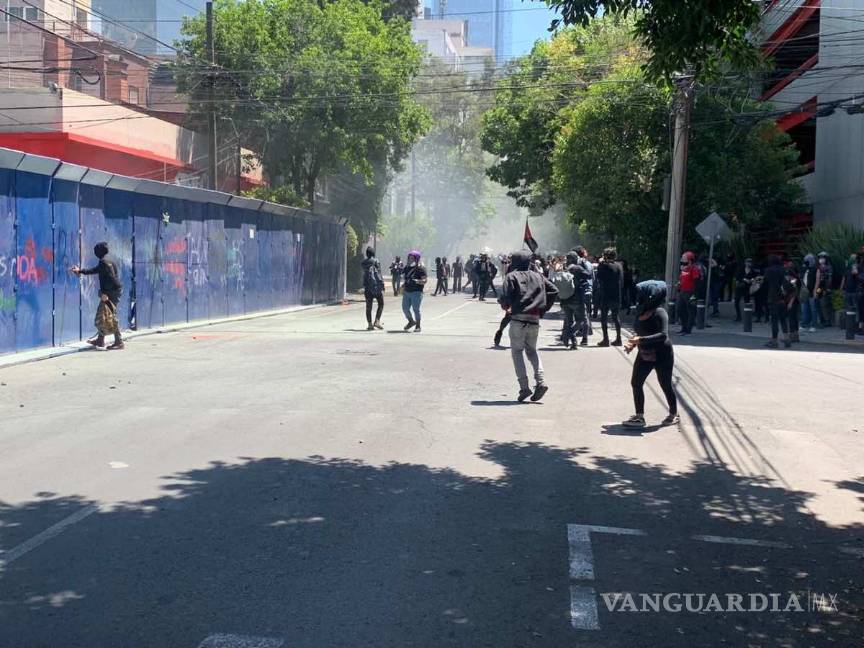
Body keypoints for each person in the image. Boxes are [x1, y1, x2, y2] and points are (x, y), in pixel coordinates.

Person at [498, 250, 558, 402]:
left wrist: (507, 307)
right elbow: (554, 290)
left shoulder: (511, 276)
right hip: (534, 319)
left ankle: (524, 388)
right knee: (532, 351)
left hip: (518, 318)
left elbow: (504, 296)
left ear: (515, 262)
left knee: (517, 352)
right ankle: (541, 381)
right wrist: (543, 309)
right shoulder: (538, 276)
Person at [622, 281, 679, 429]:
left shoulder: (660, 312)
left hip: (662, 354)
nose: (638, 297)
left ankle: (673, 413)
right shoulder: (641, 310)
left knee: (665, 384)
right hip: (645, 352)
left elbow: (663, 335)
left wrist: (640, 340)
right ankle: (639, 416)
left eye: (642, 295)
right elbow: (640, 331)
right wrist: (633, 343)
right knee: (636, 382)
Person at [70, 241, 124, 350]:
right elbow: (96, 271)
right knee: (103, 314)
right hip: (115, 290)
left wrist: (105, 294)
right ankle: (100, 340)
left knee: (110, 314)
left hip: (111, 292)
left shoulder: (104, 263)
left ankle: (119, 342)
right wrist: (80, 271)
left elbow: (111, 278)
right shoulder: (109, 261)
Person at [595, 247, 623, 347]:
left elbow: (598, 276)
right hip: (617, 294)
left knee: (603, 318)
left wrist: (600, 264)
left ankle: (606, 339)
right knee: (616, 317)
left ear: (606, 256)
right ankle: (619, 339)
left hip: (606, 295)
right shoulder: (619, 266)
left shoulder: (604, 266)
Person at [763, 255, 792, 348]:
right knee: (783, 319)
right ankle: (787, 339)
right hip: (783, 298)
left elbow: (765, 283)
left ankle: (774, 341)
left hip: (773, 297)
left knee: (774, 320)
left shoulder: (769, 270)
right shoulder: (784, 270)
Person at [571, 246, 594, 345]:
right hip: (589, 290)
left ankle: (580, 336)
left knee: (580, 316)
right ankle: (586, 333)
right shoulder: (589, 264)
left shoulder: (576, 265)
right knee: (587, 314)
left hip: (580, 292)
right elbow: (592, 278)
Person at [402, 251, 427, 332]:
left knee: (416, 309)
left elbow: (424, 280)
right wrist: (403, 285)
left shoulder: (421, 269)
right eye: (409, 258)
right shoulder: (407, 268)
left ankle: (418, 326)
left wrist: (417, 281)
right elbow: (406, 278)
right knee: (405, 308)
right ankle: (411, 321)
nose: (410, 260)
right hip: (407, 291)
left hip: (416, 292)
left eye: (412, 258)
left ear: (417, 259)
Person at [677, 251, 701, 335]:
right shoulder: (683, 269)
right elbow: (681, 279)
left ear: (690, 260)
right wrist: (679, 285)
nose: (682, 260)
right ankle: (683, 328)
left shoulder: (694, 269)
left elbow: (697, 282)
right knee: (680, 309)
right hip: (683, 291)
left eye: (684, 258)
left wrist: (694, 295)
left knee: (691, 311)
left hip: (690, 292)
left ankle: (688, 330)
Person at [361, 247, 385, 331]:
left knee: (368, 306)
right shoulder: (376, 261)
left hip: (367, 287)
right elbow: (379, 274)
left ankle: (370, 324)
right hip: (376, 287)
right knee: (381, 304)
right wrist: (382, 285)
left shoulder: (363, 263)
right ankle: (377, 321)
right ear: (373, 253)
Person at [840, 252, 861, 333]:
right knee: (848, 308)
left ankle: (856, 325)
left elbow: (858, 277)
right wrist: (841, 289)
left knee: (857, 308)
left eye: (854, 258)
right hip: (848, 291)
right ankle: (848, 325)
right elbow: (844, 278)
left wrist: (855, 269)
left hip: (855, 291)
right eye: (851, 258)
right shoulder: (847, 268)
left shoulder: (858, 267)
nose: (852, 259)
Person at [799, 254, 818, 332]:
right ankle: (804, 324)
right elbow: (801, 278)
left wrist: (815, 291)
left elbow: (817, 281)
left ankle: (813, 325)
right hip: (804, 291)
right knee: (804, 309)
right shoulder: (804, 269)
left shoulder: (815, 269)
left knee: (813, 309)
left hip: (812, 291)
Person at [815, 252, 834, 327]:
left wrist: (827, 289)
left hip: (825, 288)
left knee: (824, 304)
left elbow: (830, 279)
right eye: (820, 258)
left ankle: (827, 321)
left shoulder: (829, 267)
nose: (821, 259)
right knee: (818, 302)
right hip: (819, 287)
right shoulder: (818, 267)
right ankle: (822, 320)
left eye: (823, 258)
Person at [785, 261, 801, 343]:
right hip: (793, 301)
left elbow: (794, 292)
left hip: (793, 301)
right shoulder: (795, 279)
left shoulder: (793, 280)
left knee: (792, 318)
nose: (786, 277)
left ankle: (792, 336)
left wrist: (790, 302)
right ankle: (795, 336)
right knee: (794, 318)